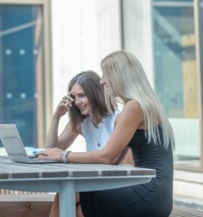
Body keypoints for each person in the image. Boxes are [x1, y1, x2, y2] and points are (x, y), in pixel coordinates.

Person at [38, 51, 175, 217]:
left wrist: (64, 156)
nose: (102, 81)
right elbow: (114, 160)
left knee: (70, 192)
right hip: (156, 195)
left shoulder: (134, 107)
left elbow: (107, 157)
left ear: (120, 76)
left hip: (147, 193)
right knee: (77, 210)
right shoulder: (142, 105)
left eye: (106, 75)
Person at [45, 70, 123, 217]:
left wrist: (68, 156)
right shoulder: (82, 123)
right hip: (95, 185)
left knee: (68, 194)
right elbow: (52, 150)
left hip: (116, 185)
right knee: (75, 208)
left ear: (95, 93)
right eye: (74, 97)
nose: (78, 102)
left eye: (82, 95)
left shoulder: (117, 120)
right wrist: (56, 117)